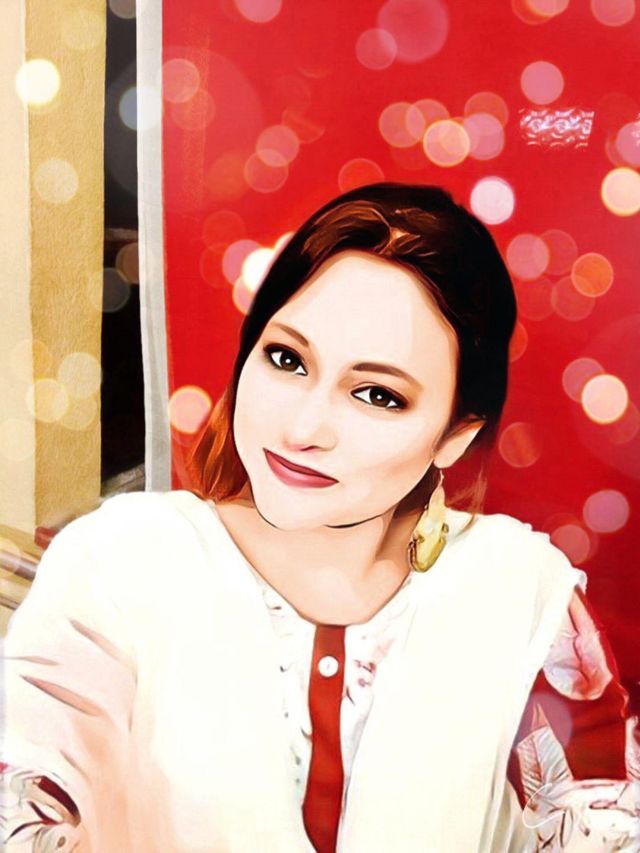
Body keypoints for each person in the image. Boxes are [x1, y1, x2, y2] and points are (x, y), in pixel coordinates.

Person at [1, 183, 638, 852]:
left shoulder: (519, 590)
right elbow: (23, 801)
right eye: (287, 359)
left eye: (377, 395)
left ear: (455, 435)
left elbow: (605, 825)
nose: (303, 428)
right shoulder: (122, 562)